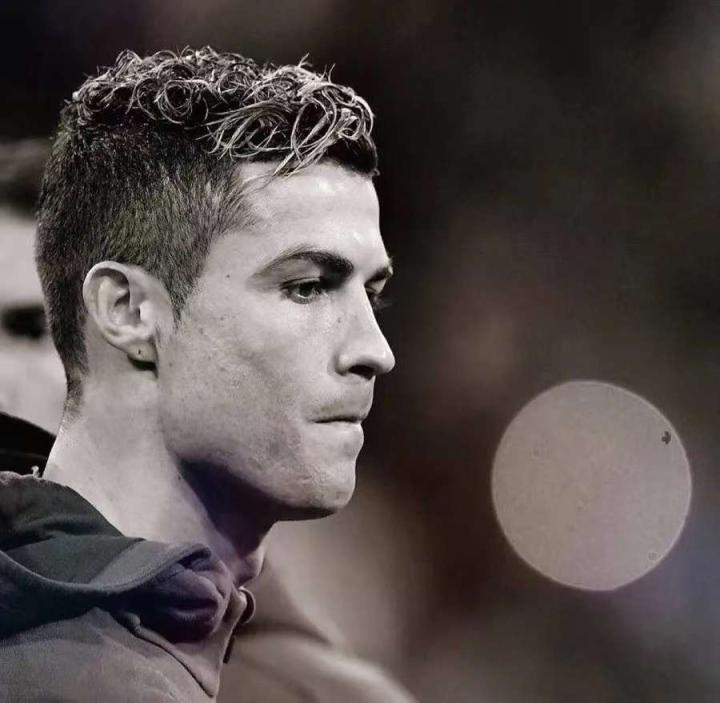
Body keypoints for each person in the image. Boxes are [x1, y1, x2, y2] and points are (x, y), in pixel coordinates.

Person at [0, 48, 410, 702]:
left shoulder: (131, 646)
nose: (374, 350)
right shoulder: (79, 682)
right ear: (127, 311)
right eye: (306, 287)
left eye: (373, 295)